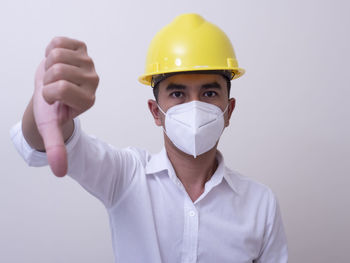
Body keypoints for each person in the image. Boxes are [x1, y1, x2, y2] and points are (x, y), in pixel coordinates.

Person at [11, 13, 288, 263]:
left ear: (229, 111)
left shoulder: (260, 204)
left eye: (209, 93)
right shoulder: (126, 176)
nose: (194, 107)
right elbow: (49, 142)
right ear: (156, 112)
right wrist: (45, 106)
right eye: (178, 94)